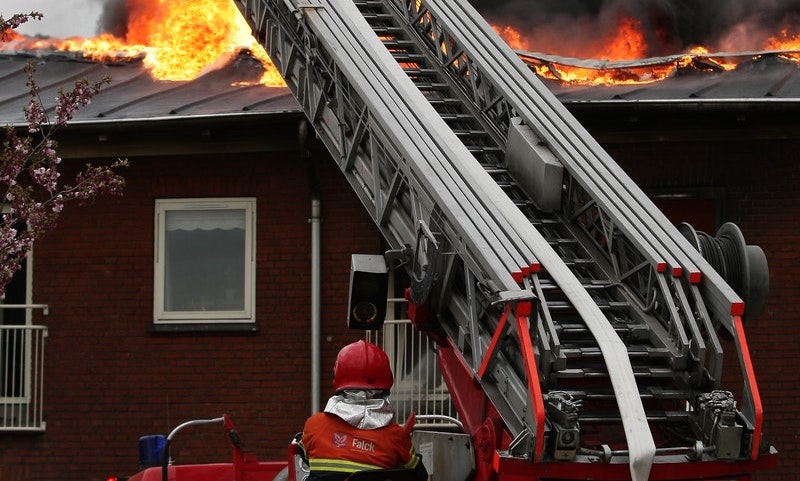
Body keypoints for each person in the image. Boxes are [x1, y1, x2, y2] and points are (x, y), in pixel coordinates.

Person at [299, 340, 429, 481]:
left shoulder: (314, 426)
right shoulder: (396, 437)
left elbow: (305, 456)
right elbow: (419, 476)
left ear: (336, 376)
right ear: (387, 380)